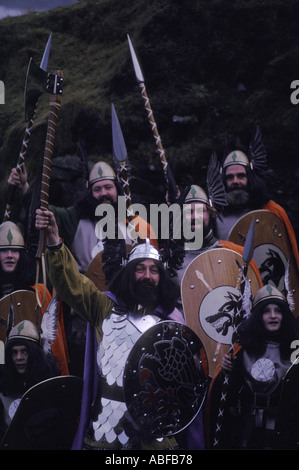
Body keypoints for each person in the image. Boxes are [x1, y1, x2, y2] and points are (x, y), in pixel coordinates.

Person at [35, 208, 208, 450]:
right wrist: (54, 241)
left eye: (153, 270)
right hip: (105, 433)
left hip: (154, 439)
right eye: (140, 269)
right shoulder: (104, 308)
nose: (147, 275)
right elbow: (72, 285)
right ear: (129, 274)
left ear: (161, 276)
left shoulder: (173, 324)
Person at [207, 284, 299, 449]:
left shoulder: (295, 349)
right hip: (247, 428)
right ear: (258, 316)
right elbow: (228, 394)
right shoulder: (243, 349)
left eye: (278, 310)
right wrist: (226, 372)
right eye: (266, 311)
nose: (273, 316)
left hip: (284, 428)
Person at [215, 126, 299, 270]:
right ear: (224, 182)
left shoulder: (272, 211)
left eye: (241, 176)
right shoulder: (214, 217)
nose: (236, 181)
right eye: (230, 177)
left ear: (250, 178)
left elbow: (288, 254)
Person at [0, 221, 69, 375]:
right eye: (4, 251)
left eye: (14, 250)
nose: (10, 256)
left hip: (33, 367)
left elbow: (51, 345)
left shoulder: (38, 293)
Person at [0, 319, 60, 439]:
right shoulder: (2, 387)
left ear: (34, 355)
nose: (19, 357)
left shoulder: (49, 385)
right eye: (14, 352)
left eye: (24, 351)